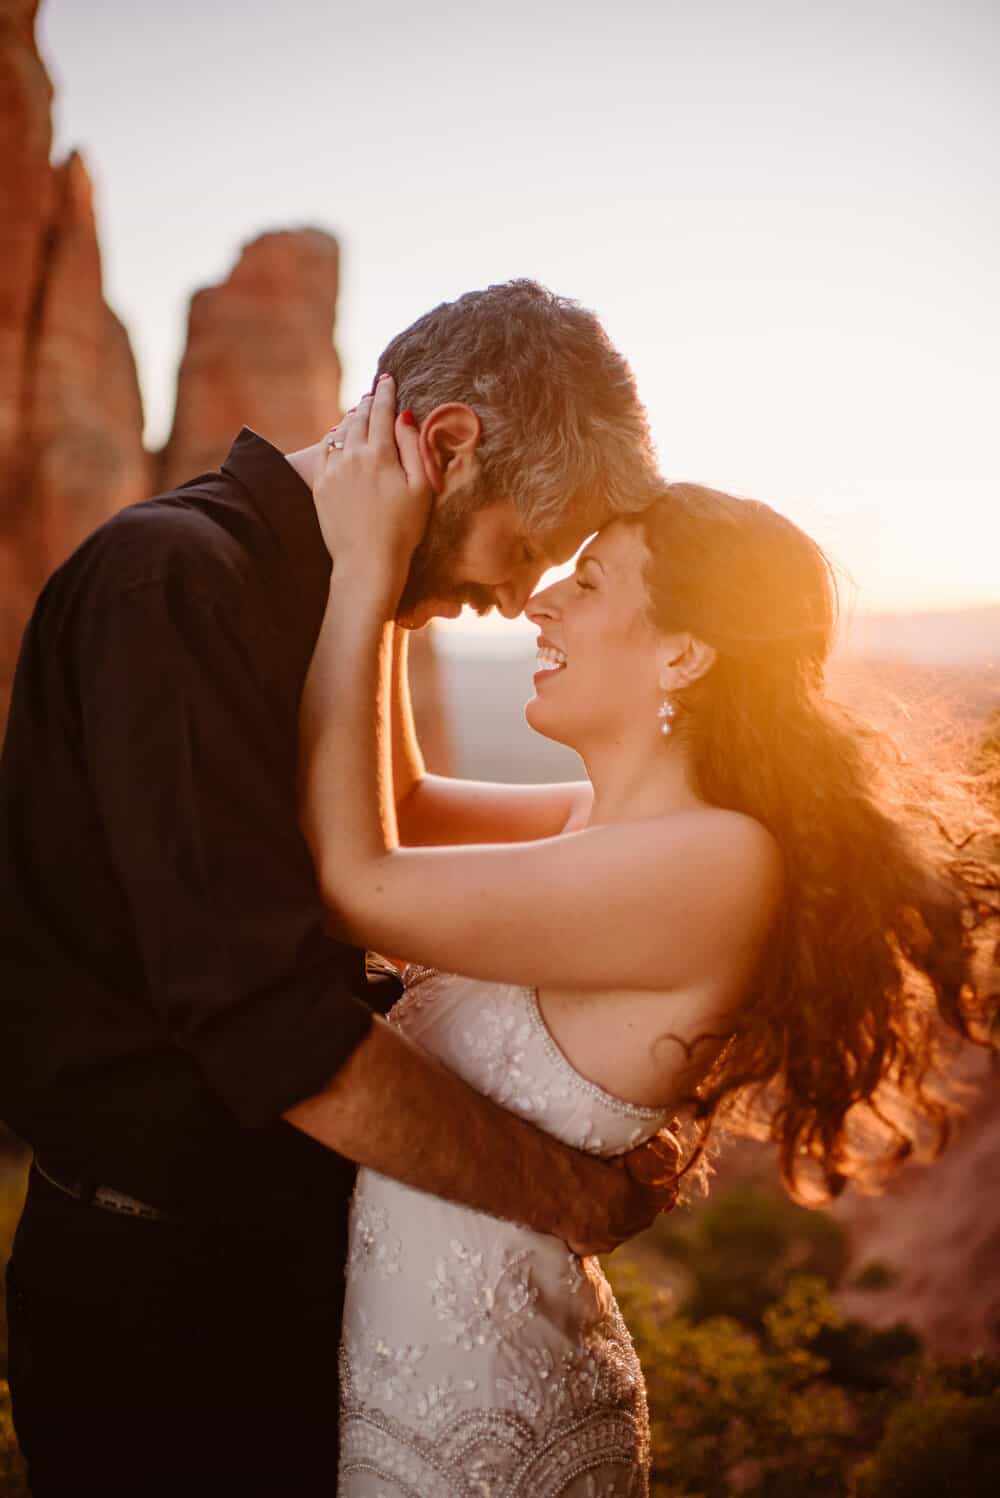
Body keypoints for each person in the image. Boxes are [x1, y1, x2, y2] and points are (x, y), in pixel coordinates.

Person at [0, 281, 678, 1497]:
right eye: (525, 544)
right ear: (453, 443)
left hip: (303, 1261)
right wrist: (567, 1191)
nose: (516, 594)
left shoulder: (326, 577)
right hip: (170, 1308)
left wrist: (671, 841)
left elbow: (398, 819)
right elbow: (271, 1031)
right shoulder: (174, 584)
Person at [300, 380, 999, 1496]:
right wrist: (414, 578)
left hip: (489, 1425)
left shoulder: (715, 862)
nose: (541, 606)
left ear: (684, 654)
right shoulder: (607, 823)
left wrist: (362, 569)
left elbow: (357, 879)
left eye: (584, 582)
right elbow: (409, 802)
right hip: (418, 1395)